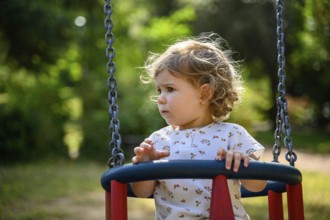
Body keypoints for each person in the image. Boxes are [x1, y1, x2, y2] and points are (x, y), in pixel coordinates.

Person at [131, 33, 266, 220]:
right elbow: (141, 192)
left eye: (170, 89)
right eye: (159, 90)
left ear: (204, 94)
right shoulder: (157, 141)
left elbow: (257, 185)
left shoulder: (232, 134)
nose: (160, 98)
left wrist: (243, 163)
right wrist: (146, 166)